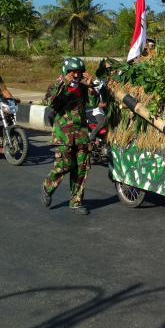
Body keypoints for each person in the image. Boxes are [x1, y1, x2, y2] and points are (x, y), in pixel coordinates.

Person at [41, 57, 94, 215]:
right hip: (63, 134)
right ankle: (47, 186)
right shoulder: (57, 84)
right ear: (66, 72)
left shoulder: (82, 87)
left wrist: (91, 87)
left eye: (79, 72)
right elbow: (49, 100)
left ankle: (76, 201)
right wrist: (64, 82)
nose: (76, 75)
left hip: (81, 133)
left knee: (81, 169)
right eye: (73, 72)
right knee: (64, 166)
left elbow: (92, 103)